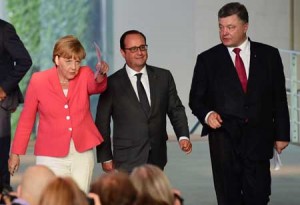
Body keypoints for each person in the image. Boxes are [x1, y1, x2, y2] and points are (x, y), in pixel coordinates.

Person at [189, 2, 290, 205]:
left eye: (230, 27)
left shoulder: (269, 55)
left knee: (259, 196)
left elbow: (278, 98)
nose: (224, 32)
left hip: (259, 138)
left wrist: (282, 134)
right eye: (221, 27)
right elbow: (196, 99)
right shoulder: (207, 59)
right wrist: (208, 115)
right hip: (224, 141)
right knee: (228, 197)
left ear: (245, 26)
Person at [8, 35, 109, 193]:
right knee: (52, 198)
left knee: (79, 197)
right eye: (69, 61)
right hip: (50, 153)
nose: (74, 67)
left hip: (81, 153)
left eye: (77, 61)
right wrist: (15, 153)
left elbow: (97, 86)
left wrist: (100, 75)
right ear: (56, 59)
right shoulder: (38, 80)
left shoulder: (85, 74)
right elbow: (26, 119)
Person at [95, 30, 192, 173]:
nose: (139, 52)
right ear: (123, 52)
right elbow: (102, 122)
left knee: (154, 196)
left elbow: (175, 109)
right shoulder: (112, 83)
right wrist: (105, 157)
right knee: (130, 196)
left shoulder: (164, 77)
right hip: (126, 158)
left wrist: (183, 136)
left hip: (157, 156)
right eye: (133, 49)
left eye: (142, 47)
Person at [0, 19, 32, 192]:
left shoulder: (4, 29)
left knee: (0, 153)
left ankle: (3, 193)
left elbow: (24, 61)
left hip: (0, 101)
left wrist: (4, 87)